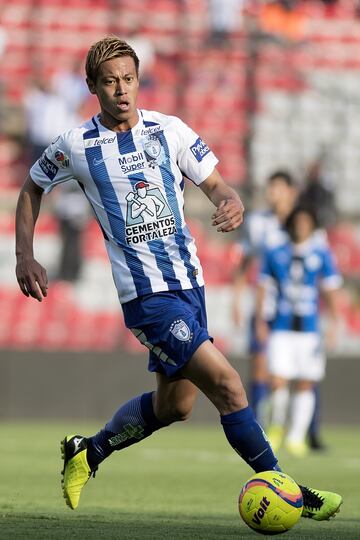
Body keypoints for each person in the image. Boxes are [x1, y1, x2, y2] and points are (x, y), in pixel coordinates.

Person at [15, 36, 342, 520]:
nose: (122, 90)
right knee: (229, 385)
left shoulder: (169, 131)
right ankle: (290, 490)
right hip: (147, 298)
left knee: (176, 406)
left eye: (128, 79)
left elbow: (217, 184)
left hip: (191, 287)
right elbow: (31, 187)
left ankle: (89, 452)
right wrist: (25, 254)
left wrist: (230, 202)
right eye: (110, 82)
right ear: (92, 87)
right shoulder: (76, 146)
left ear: (138, 80)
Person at [255, 205, 342, 457]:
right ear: (291, 224)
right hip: (281, 327)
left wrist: (335, 324)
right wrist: (260, 321)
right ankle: (275, 427)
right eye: (297, 222)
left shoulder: (321, 253)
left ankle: (296, 436)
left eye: (306, 222)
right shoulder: (275, 252)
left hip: (310, 330)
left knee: (306, 383)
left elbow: (331, 290)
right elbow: (263, 288)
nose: (301, 226)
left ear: (312, 226)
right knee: (278, 380)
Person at [232, 171, 298, 424]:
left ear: (292, 191)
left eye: (279, 187)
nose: (273, 193)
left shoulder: (302, 223)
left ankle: (304, 429)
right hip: (265, 306)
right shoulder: (258, 222)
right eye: (271, 187)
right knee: (260, 365)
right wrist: (236, 300)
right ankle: (258, 424)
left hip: (294, 308)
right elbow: (243, 263)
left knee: (296, 370)